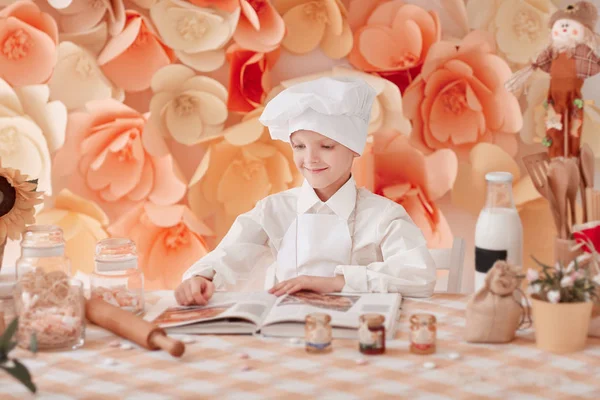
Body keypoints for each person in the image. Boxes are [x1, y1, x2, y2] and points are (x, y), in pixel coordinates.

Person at [175, 76, 436, 306]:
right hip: (287, 335)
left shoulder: (383, 216)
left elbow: (419, 276)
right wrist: (200, 277)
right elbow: (228, 254)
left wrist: (336, 282)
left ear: (355, 148)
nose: (310, 159)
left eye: (326, 146)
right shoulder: (274, 210)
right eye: (299, 146)